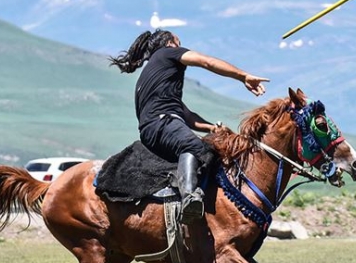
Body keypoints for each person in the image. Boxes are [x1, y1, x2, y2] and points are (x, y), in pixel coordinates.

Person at [108, 29, 269, 224]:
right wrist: (243, 76)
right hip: (162, 122)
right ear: (170, 43)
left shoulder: (156, 77)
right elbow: (207, 61)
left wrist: (211, 128)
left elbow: (188, 116)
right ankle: (190, 198)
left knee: (208, 147)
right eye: (179, 42)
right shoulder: (167, 53)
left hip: (157, 126)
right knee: (193, 146)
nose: (182, 46)